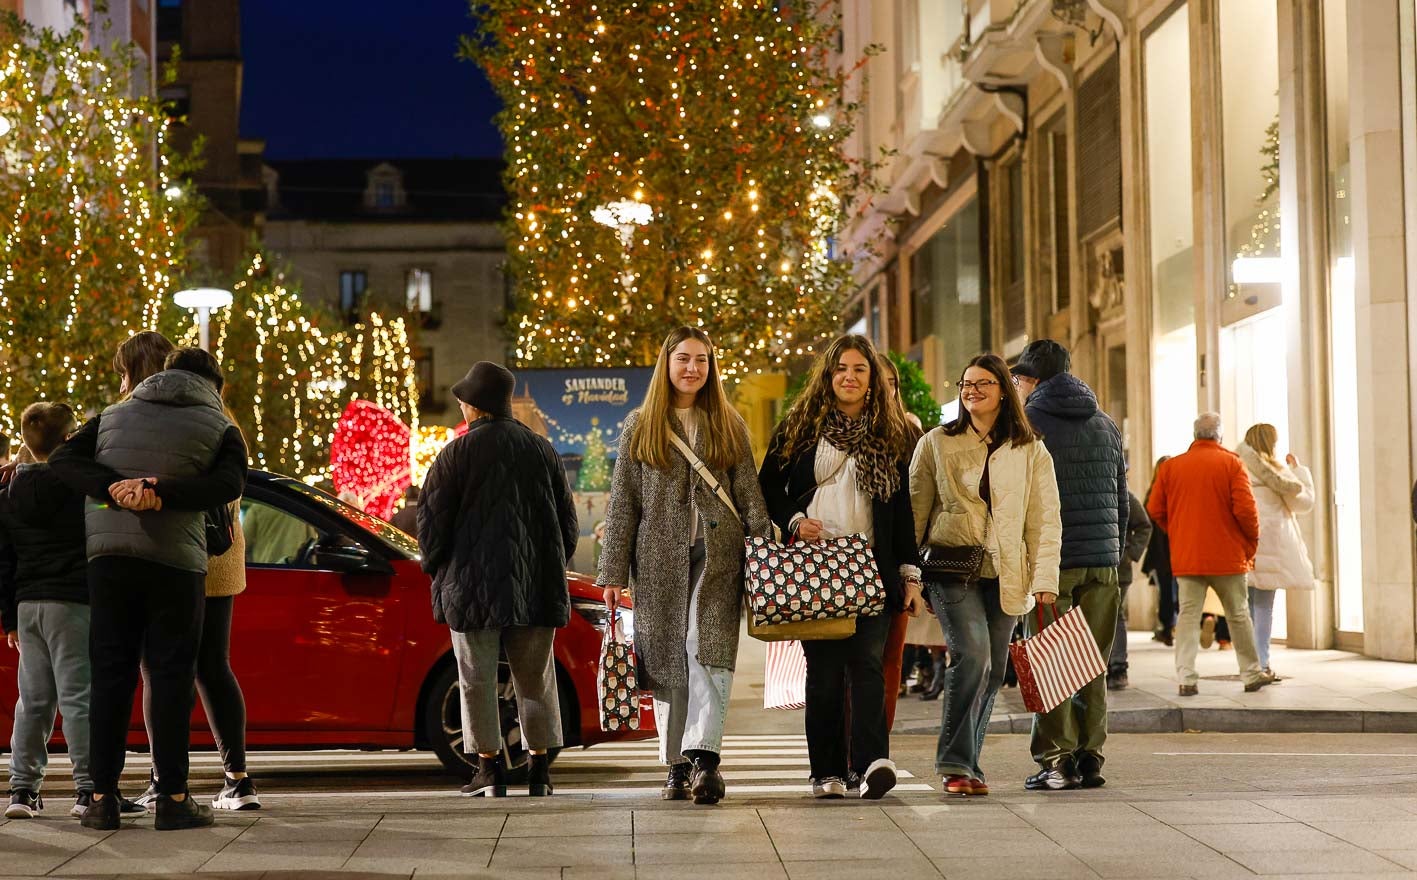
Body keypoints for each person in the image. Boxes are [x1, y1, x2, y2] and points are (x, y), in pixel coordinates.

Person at [50, 341, 247, 831]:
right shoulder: (222, 425)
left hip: (109, 559)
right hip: (176, 565)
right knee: (171, 676)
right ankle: (174, 799)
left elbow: (62, 460)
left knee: (110, 676)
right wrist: (161, 492)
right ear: (213, 386)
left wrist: (112, 487)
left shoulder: (113, 415)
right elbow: (227, 487)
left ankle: (101, 799)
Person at [598, 327, 770, 805]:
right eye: (683, 359)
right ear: (666, 364)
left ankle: (706, 761)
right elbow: (623, 504)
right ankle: (675, 765)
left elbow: (749, 494)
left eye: (702, 360)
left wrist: (764, 551)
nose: (693, 368)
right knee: (668, 658)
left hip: (719, 558)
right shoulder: (640, 425)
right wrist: (612, 572)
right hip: (655, 561)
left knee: (707, 647)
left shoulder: (729, 423)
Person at [759, 333, 924, 800]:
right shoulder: (800, 428)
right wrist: (794, 520)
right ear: (828, 377)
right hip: (816, 565)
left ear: (872, 380)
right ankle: (826, 771)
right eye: (841, 369)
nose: (849, 377)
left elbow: (903, 512)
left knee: (868, 665)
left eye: (860, 370)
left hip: (872, 566)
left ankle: (870, 764)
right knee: (825, 672)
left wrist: (910, 575)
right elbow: (767, 486)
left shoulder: (890, 434)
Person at [419, 361, 579, 798]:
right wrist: (545, 564)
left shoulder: (456, 454)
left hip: (470, 589)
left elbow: (431, 526)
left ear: (475, 406)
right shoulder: (541, 450)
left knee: (476, 680)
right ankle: (540, 771)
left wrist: (437, 568)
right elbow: (567, 525)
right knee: (535, 679)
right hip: (534, 587)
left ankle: (488, 771)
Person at [910, 353, 1061, 796]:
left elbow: (1045, 518)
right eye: (966, 384)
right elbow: (915, 512)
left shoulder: (1030, 447)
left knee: (993, 670)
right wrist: (909, 576)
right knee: (972, 656)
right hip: (951, 568)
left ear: (1004, 391)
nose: (972, 391)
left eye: (983, 384)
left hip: (1008, 572)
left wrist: (1045, 577)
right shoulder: (937, 442)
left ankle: (969, 763)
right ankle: (955, 763)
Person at [134, 402, 260, 814]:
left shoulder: (166, 421)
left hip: (178, 554)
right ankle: (238, 779)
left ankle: (163, 779)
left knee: (159, 666)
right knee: (213, 666)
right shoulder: (225, 421)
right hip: (223, 557)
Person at [1015, 339, 1127, 791]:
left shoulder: (1027, 425)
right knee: (1092, 663)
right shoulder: (1106, 424)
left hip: (1052, 564)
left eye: (1020, 379)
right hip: (1102, 562)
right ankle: (1090, 756)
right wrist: (1112, 553)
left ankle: (1055, 759)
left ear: (1032, 380)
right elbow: (1121, 497)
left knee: (1051, 662)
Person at [2, 403, 92, 819]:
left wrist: (8, 616)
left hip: (28, 604)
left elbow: (5, 558)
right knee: (77, 698)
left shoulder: (11, 490)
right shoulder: (76, 487)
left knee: (33, 700)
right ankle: (88, 789)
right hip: (71, 600)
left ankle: (22, 790)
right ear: (67, 439)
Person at [1145, 413, 1274, 697]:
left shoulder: (1171, 467)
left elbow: (1155, 510)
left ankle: (1187, 678)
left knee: (1188, 616)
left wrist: (1177, 532)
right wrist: (1249, 542)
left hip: (1188, 556)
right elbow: (1246, 511)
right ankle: (1251, 673)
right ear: (1219, 436)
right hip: (1228, 556)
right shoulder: (1232, 463)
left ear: (1195, 436)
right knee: (1239, 614)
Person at [1237, 423, 1315, 679]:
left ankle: (1248, 665)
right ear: (1271, 443)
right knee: (1264, 606)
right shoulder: (1277, 472)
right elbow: (1303, 502)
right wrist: (1299, 471)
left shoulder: (1237, 467)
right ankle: (1262, 663)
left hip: (1246, 542)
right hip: (1274, 544)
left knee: (1246, 606)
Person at [877, 353, 926, 731]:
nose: (887, 390)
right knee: (847, 660)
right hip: (847, 558)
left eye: (892, 383)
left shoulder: (911, 434)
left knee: (891, 657)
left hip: (898, 560)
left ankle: (878, 741)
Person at [1107, 491, 1153, 690]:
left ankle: (1118, 668)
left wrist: (1131, 553)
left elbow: (1144, 525)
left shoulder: (1124, 495)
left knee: (1115, 615)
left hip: (1118, 567)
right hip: (1096, 562)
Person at [1142, 457, 1177, 646]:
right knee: (1175, 589)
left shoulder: (1153, 492)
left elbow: (1148, 517)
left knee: (1166, 590)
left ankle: (1168, 627)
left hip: (1161, 551)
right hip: (1173, 547)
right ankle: (1172, 625)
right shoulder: (1176, 490)